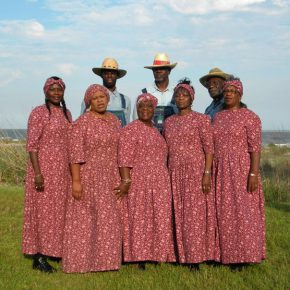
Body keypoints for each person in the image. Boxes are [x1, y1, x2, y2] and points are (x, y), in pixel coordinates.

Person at [62, 84, 122, 273]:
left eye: (102, 97)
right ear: (89, 102)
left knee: (108, 219)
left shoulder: (114, 120)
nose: (100, 100)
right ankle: (81, 262)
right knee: (86, 220)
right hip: (89, 176)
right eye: (95, 98)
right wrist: (76, 182)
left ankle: (107, 262)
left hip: (110, 175)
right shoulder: (81, 123)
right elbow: (75, 155)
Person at [163, 78, 219, 271]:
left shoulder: (201, 120)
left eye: (184, 95)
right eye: (177, 95)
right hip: (174, 172)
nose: (180, 98)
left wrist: (206, 173)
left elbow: (209, 149)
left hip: (195, 171)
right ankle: (180, 254)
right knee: (177, 213)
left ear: (191, 98)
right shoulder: (169, 122)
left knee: (194, 216)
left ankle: (195, 257)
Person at [116, 93, 176, 269]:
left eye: (149, 107)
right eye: (141, 106)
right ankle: (138, 257)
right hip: (139, 180)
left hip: (159, 180)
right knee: (139, 218)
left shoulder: (156, 130)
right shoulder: (130, 130)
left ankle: (156, 253)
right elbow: (123, 158)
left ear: (154, 109)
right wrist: (126, 180)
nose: (145, 110)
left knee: (158, 217)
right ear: (137, 108)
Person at [212, 78, 266, 271]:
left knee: (244, 213)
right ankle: (226, 254)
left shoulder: (250, 117)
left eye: (233, 91)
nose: (228, 94)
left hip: (242, 169)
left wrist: (253, 173)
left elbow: (255, 149)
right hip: (221, 171)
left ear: (240, 94)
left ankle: (244, 255)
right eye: (226, 91)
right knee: (224, 212)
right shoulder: (218, 117)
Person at [22, 76, 72, 273]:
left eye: (59, 89)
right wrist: (37, 173)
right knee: (42, 213)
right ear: (45, 91)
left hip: (62, 172)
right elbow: (32, 146)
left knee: (58, 212)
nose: (56, 93)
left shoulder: (67, 113)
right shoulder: (39, 113)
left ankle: (54, 250)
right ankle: (39, 256)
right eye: (52, 89)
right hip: (44, 169)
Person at [132, 53, 177, 132]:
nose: (158, 71)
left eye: (162, 68)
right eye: (155, 69)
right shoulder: (144, 93)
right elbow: (136, 120)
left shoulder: (178, 93)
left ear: (169, 71)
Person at [81, 57, 131, 126]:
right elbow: (82, 123)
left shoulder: (126, 100)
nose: (109, 76)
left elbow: (126, 127)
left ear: (117, 75)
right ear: (101, 75)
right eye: (106, 73)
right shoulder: (90, 98)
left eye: (113, 73)